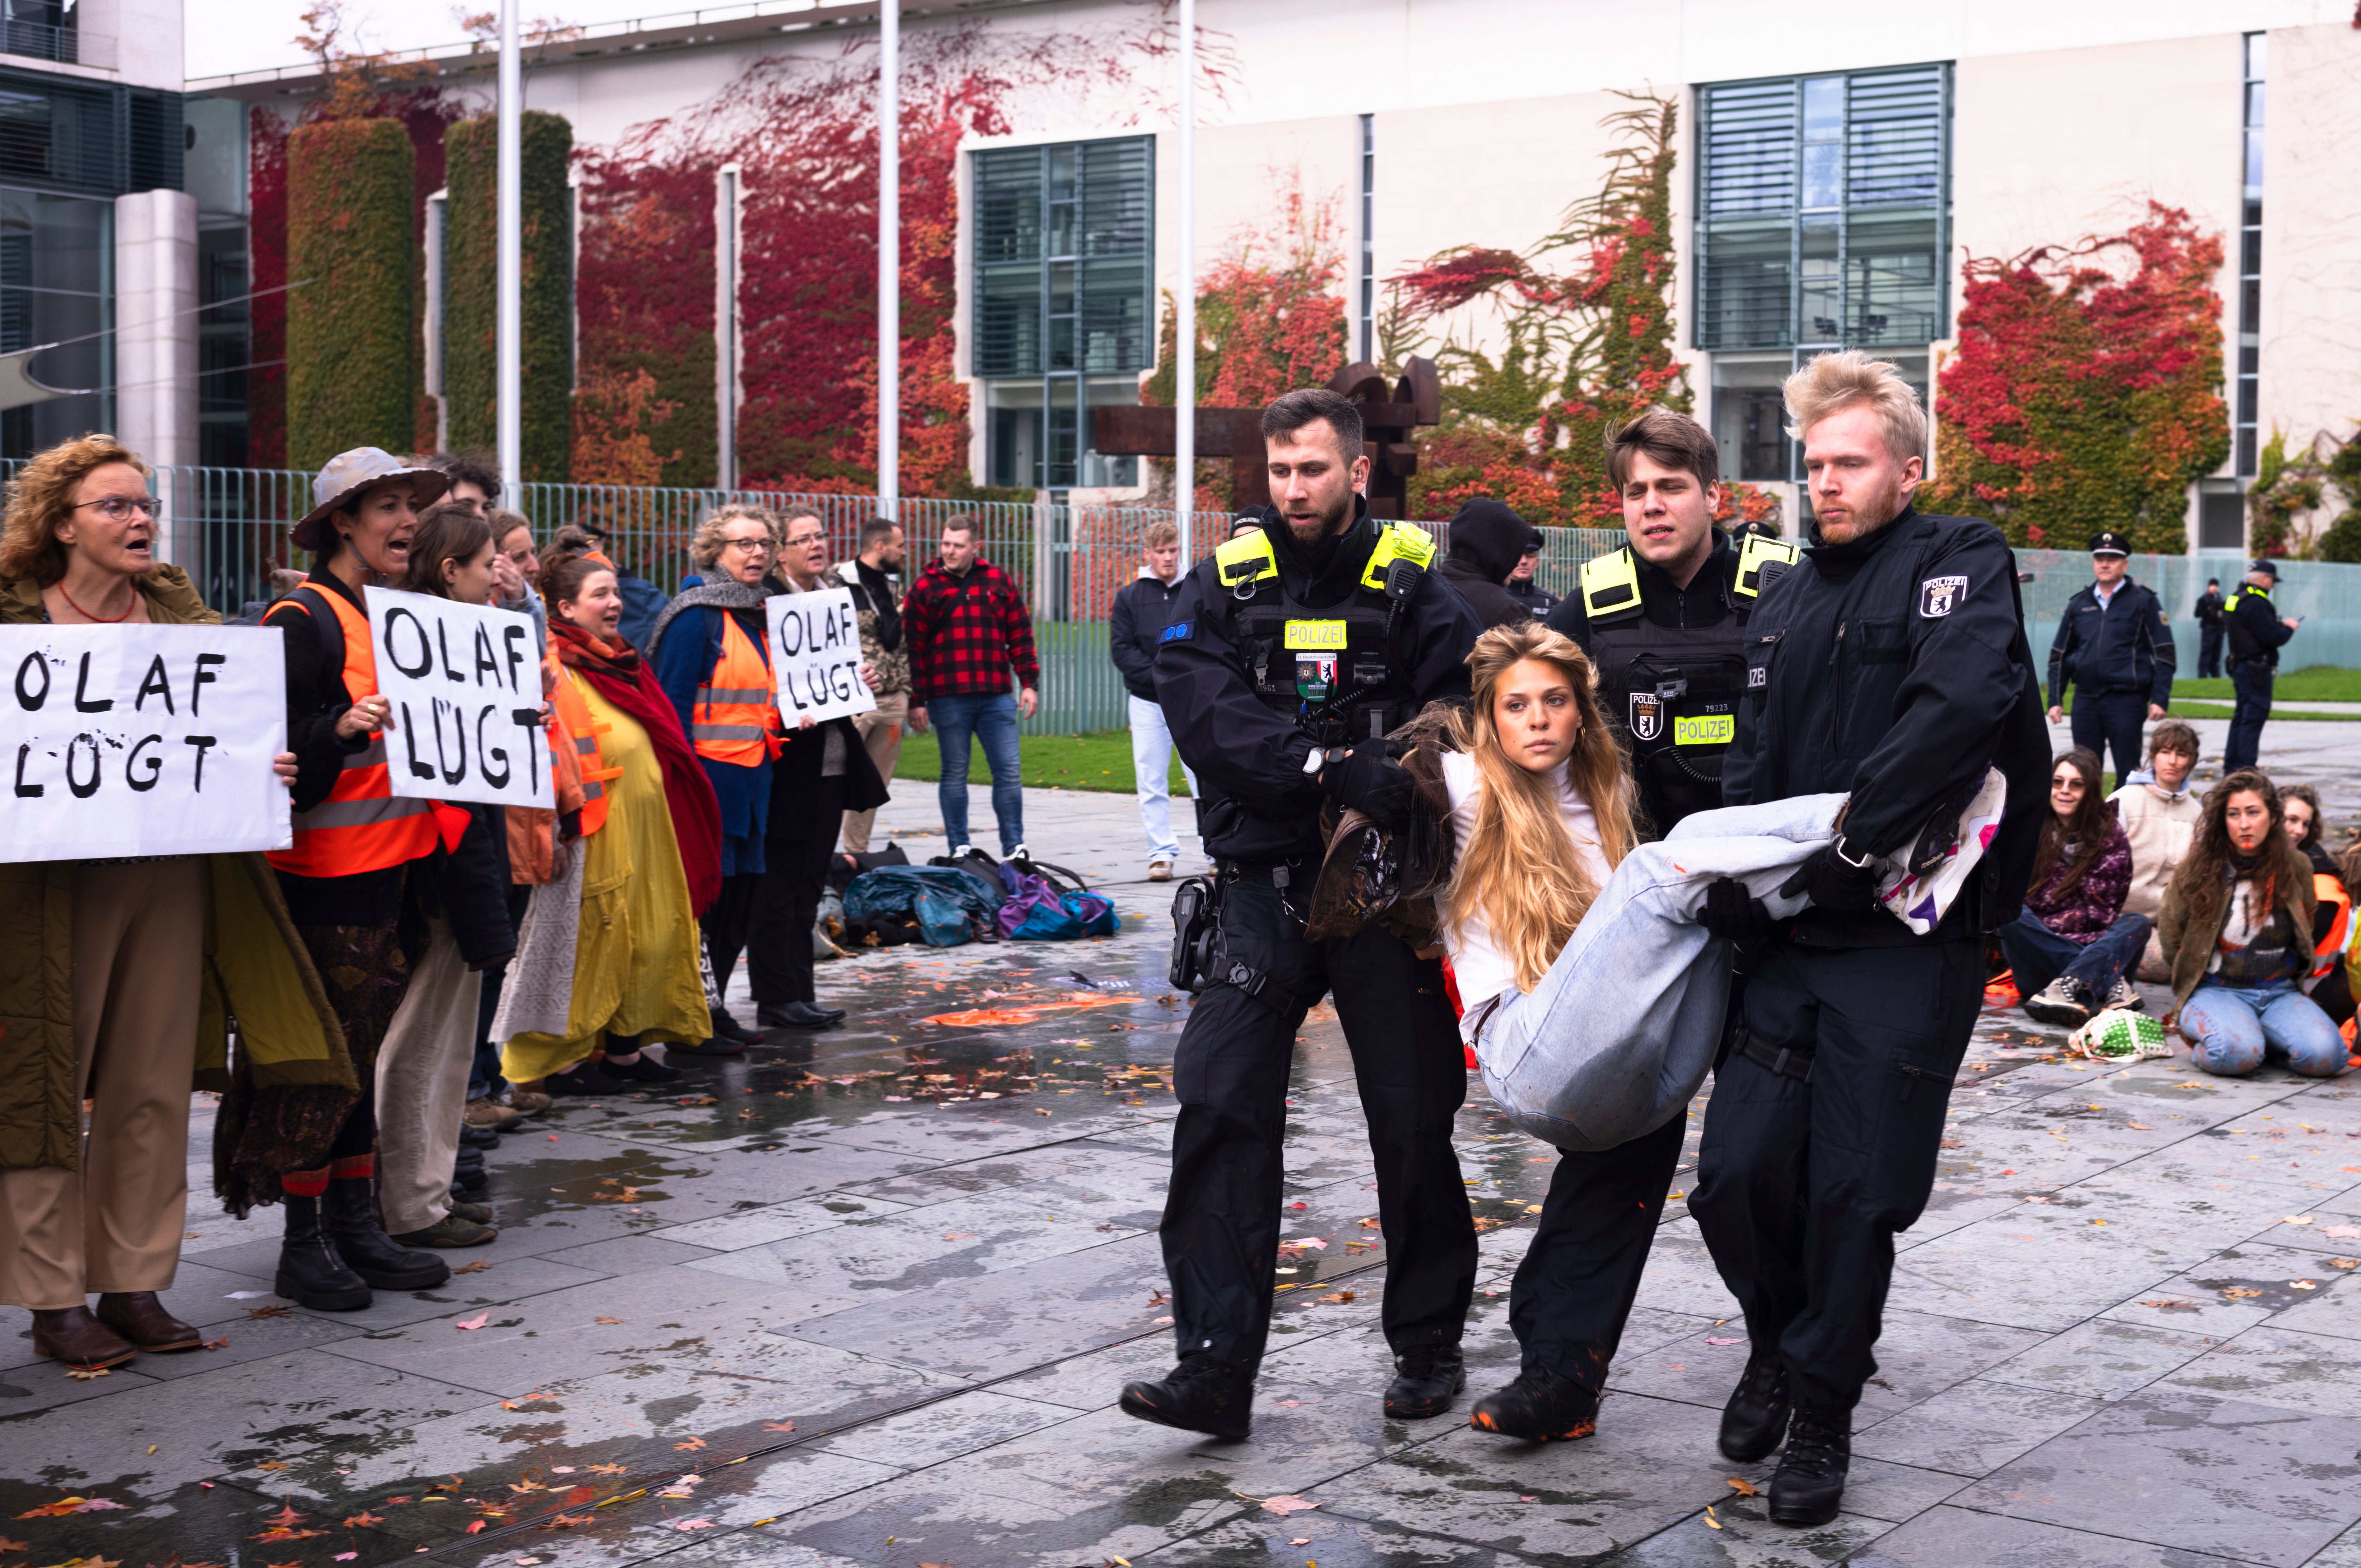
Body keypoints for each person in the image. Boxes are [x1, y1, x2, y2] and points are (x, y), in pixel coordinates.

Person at [1688, 352, 2049, 1527]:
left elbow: (1954, 713)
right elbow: (1751, 755)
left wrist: (1856, 845)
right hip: (1793, 934)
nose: (1825, 483)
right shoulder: (1785, 593)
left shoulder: (1960, 561)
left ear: (1908, 468)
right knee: (1735, 1178)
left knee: (1854, 1190)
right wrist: (1736, 872)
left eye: (1848, 462)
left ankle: (1825, 1405)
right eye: (1813, 465)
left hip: (1903, 933)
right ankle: (1783, 1346)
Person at [1118, 387, 1483, 1439]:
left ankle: (1427, 1341)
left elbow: (1458, 707)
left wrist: (1399, 771)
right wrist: (1329, 765)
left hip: (1383, 897)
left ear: (1358, 470)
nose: (1294, 489)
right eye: (1278, 472)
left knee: (1413, 1121)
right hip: (1259, 897)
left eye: (1313, 469)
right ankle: (1214, 1366)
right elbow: (1204, 711)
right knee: (1220, 1104)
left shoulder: (1415, 582)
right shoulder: (1224, 583)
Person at [0, 434, 327, 1369]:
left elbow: (223, 730)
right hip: (45, 891)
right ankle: (52, 1295)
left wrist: (261, 761)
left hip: (171, 878)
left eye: (144, 503)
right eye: (115, 505)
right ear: (62, 523)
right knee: (44, 1089)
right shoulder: (14, 620)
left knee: (149, 1087)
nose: (140, 518)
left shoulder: (183, 615)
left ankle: (133, 1283)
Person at [1331, 623, 1653, 1443]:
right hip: (1520, 1030)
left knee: (1649, 1134)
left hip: (1595, 1019)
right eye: (1516, 706)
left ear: (1582, 713)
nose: (1538, 719)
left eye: (1555, 701)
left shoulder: (1606, 792)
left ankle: (1560, 1365)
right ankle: (1548, 1350)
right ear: (1489, 720)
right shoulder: (1466, 784)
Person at [248, 447, 464, 1310]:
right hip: (329, 881)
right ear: (343, 522)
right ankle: (305, 1243)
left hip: (397, 874)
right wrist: (339, 727)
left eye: (413, 507)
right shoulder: (300, 619)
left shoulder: (394, 617)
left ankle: (353, 1223)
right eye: (387, 508)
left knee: (361, 1055)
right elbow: (281, 744)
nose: (408, 521)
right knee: (324, 1063)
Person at [496, 538, 722, 1096]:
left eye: (616, 592)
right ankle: (564, 1062)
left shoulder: (622, 659)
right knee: (593, 945)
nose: (615, 602)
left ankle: (626, 1049)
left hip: (649, 826)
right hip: (597, 828)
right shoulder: (556, 664)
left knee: (651, 935)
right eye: (601, 594)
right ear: (566, 608)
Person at [372, 502, 522, 1247]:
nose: (501, 574)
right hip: (438, 878)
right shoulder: (424, 651)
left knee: (447, 1046)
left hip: (460, 872)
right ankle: (409, 1203)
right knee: (422, 1047)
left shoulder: (467, 643)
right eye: (487, 561)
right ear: (448, 571)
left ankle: (427, 1191)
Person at [1545, 408, 1800, 837]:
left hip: (1766, 859)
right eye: (1635, 492)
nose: (1652, 506)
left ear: (1712, 496)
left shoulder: (1787, 592)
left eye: (1670, 487)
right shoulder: (1585, 609)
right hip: (1632, 860)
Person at [649, 504, 785, 1050]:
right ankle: (690, 1019)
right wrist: (683, 789)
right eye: (743, 544)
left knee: (738, 908)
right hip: (709, 785)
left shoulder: (763, 613)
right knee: (705, 909)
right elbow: (671, 707)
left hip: (754, 784)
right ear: (715, 553)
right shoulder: (694, 615)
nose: (757, 553)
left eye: (763, 544)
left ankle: (715, 1007)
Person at [747, 511, 887, 1032]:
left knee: (810, 882)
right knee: (779, 886)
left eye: (820, 535)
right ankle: (775, 996)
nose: (815, 544)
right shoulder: (767, 603)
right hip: (789, 762)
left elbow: (834, 674)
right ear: (781, 551)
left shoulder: (830, 597)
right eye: (802, 538)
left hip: (830, 760)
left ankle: (800, 991)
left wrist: (858, 677)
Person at [2161, 769, 2347, 1079]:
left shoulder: (2297, 866)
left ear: (2272, 818)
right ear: (2223, 821)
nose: (2244, 824)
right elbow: (2171, 934)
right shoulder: (2197, 868)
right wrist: (2190, 971)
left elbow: (2307, 921)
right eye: (2233, 815)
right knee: (2233, 1056)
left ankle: (2259, 1038)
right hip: (2215, 990)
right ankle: (2226, 1034)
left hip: (2279, 991)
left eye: (2253, 813)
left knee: (2329, 1057)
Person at [904, 516, 1039, 860]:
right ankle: (960, 847)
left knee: (1008, 772)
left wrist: (1029, 683)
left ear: (975, 547)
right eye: (945, 544)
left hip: (995, 695)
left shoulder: (998, 580)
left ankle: (1015, 847)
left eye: (958, 545)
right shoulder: (924, 587)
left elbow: (1020, 634)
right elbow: (912, 648)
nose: (949, 551)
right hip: (947, 697)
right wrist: (916, 701)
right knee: (954, 772)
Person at [2006, 748, 2151, 1027]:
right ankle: (2104, 984)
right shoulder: (2029, 833)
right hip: (2043, 971)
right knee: (2011, 913)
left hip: (2101, 952)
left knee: (2137, 922)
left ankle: (2075, 981)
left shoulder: (2111, 839)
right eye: (2057, 782)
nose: (2064, 791)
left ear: (2091, 790)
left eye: (2076, 784)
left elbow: (2113, 906)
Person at [2043, 530, 2173, 785]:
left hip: (2126, 700)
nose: (2104, 563)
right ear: (2093, 563)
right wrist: (2055, 700)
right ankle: (2087, 824)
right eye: (2099, 558)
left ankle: (2125, 824)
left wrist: (2159, 698)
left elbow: (2164, 652)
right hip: (2085, 700)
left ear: (2124, 564)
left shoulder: (2143, 601)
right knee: (2084, 772)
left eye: (2112, 559)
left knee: (2128, 772)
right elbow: (2059, 655)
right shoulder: (2078, 604)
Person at [1109, 520, 1200, 881]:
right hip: (1147, 702)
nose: (1168, 557)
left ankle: (1214, 847)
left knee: (1203, 776)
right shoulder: (1129, 596)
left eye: (1173, 550)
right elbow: (1122, 649)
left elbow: (1205, 641)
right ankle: (1161, 854)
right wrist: (1159, 678)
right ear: (1147, 553)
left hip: (1191, 700)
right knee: (1150, 778)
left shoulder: (1195, 590)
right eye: (1161, 551)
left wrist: (1182, 680)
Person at [830, 515, 911, 854]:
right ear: (881, 547)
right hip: (857, 703)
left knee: (874, 786)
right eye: (901, 545)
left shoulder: (893, 589)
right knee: (833, 782)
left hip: (892, 703)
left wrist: (907, 693)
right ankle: (821, 857)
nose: (905, 552)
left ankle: (855, 856)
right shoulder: (839, 585)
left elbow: (902, 644)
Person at [2109, 720, 2203, 982]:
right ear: (2153, 755)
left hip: (2165, 924)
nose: (2172, 761)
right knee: (2169, 965)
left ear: (2191, 761)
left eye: (2181, 754)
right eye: (2165, 752)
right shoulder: (2124, 801)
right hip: (2117, 919)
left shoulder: (2196, 814)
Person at [2224, 559, 2299, 773]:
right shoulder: (2257, 601)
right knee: (2253, 716)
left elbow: (2245, 629)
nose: (2273, 585)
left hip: (2240, 663)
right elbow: (2271, 636)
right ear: (2265, 579)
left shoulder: (2236, 597)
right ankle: (2245, 769)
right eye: (2272, 580)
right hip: (2255, 668)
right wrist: (2289, 628)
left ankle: (2232, 766)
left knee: (2242, 716)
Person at [1437, 499, 1543, 629]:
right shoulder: (1507, 613)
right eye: (1513, 553)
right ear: (1497, 552)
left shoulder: (1424, 591)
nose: (1517, 563)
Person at [1503, 539, 1558, 618]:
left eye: (1530, 556)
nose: (1524, 561)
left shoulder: (1550, 602)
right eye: (1518, 555)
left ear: (1537, 563)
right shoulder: (1496, 599)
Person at [2195, 577, 2226, 680]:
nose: (2215, 588)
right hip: (2209, 629)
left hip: (2219, 629)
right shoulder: (2204, 600)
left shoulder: (2221, 599)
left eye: (2216, 586)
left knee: (2216, 653)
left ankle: (2215, 675)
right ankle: (2203, 675)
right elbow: (2197, 614)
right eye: (2213, 586)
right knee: (2206, 652)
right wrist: (2208, 610)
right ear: (2209, 586)